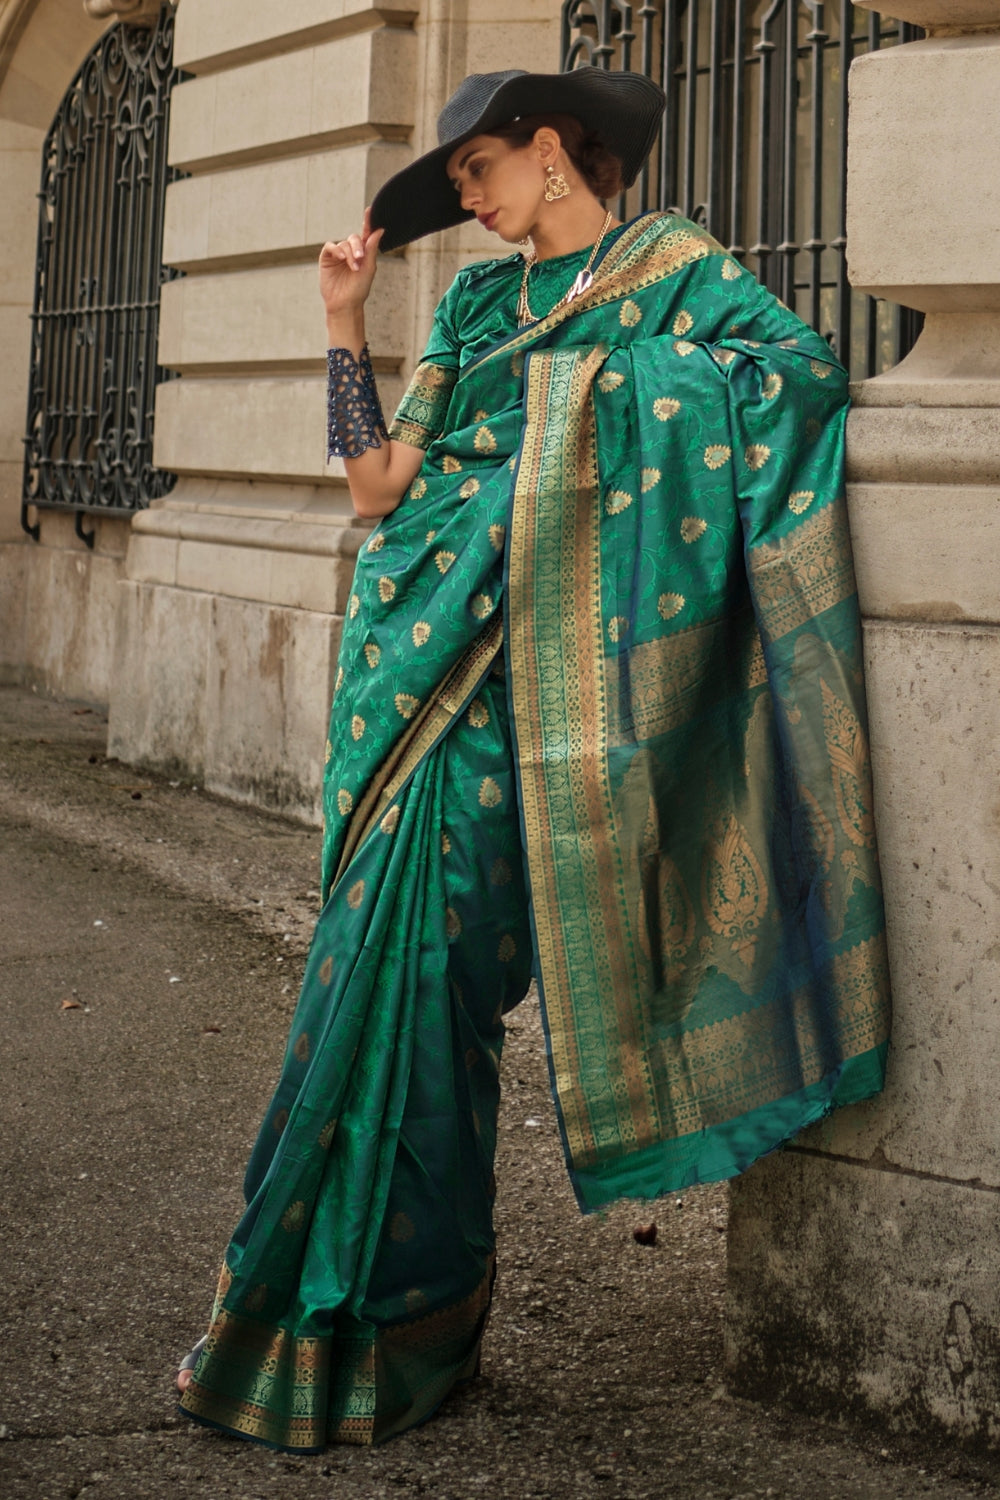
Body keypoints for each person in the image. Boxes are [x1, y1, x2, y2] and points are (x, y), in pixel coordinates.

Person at [177, 67, 891, 1452]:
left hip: (550, 711)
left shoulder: (679, 275)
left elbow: (798, 379)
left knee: (443, 979)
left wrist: (598, 405)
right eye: (454, 180)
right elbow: (379, 486)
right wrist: (342, 328)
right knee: (374, 984)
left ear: (553, 150)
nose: (466, 191)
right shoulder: (468, 307)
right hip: (416, 684)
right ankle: (347, 1322)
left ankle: (408, 1314)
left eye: (477, 166)